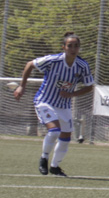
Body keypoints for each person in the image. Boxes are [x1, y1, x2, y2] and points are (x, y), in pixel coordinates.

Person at [12, 32, 95, 177]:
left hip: (63, 105)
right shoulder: (53, 60)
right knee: (55, 131)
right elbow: (29, 64)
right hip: (45, 101)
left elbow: (89, 86)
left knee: (66, 138)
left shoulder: (82, 66)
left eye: (76, 46)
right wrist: (22, 86)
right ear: (63, 47)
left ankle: (54, 167)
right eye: (70, 46)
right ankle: (44, 158)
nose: (73, 49)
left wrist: (72, 94)